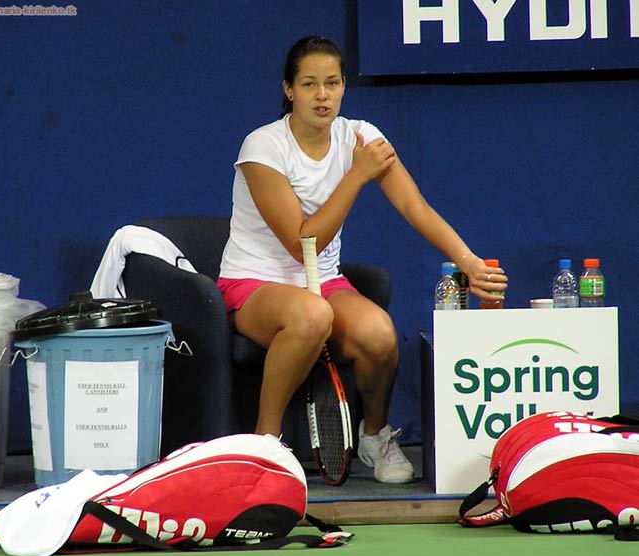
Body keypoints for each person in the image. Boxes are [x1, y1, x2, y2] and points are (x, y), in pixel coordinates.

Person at [217, 35, 508, 484]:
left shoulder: (363, 137)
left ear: (343, 87)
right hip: (253, 284)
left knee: (379, 335)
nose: (322, 95)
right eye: (310, 84)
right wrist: (356, 175)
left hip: (324, 283)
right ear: (289, 89)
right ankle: (265, 444)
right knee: (312, 315)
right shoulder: (263, 147)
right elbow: (302, 244)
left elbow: (416, 208)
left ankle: (373, 437)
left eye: (332, 83)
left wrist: (467, 260)